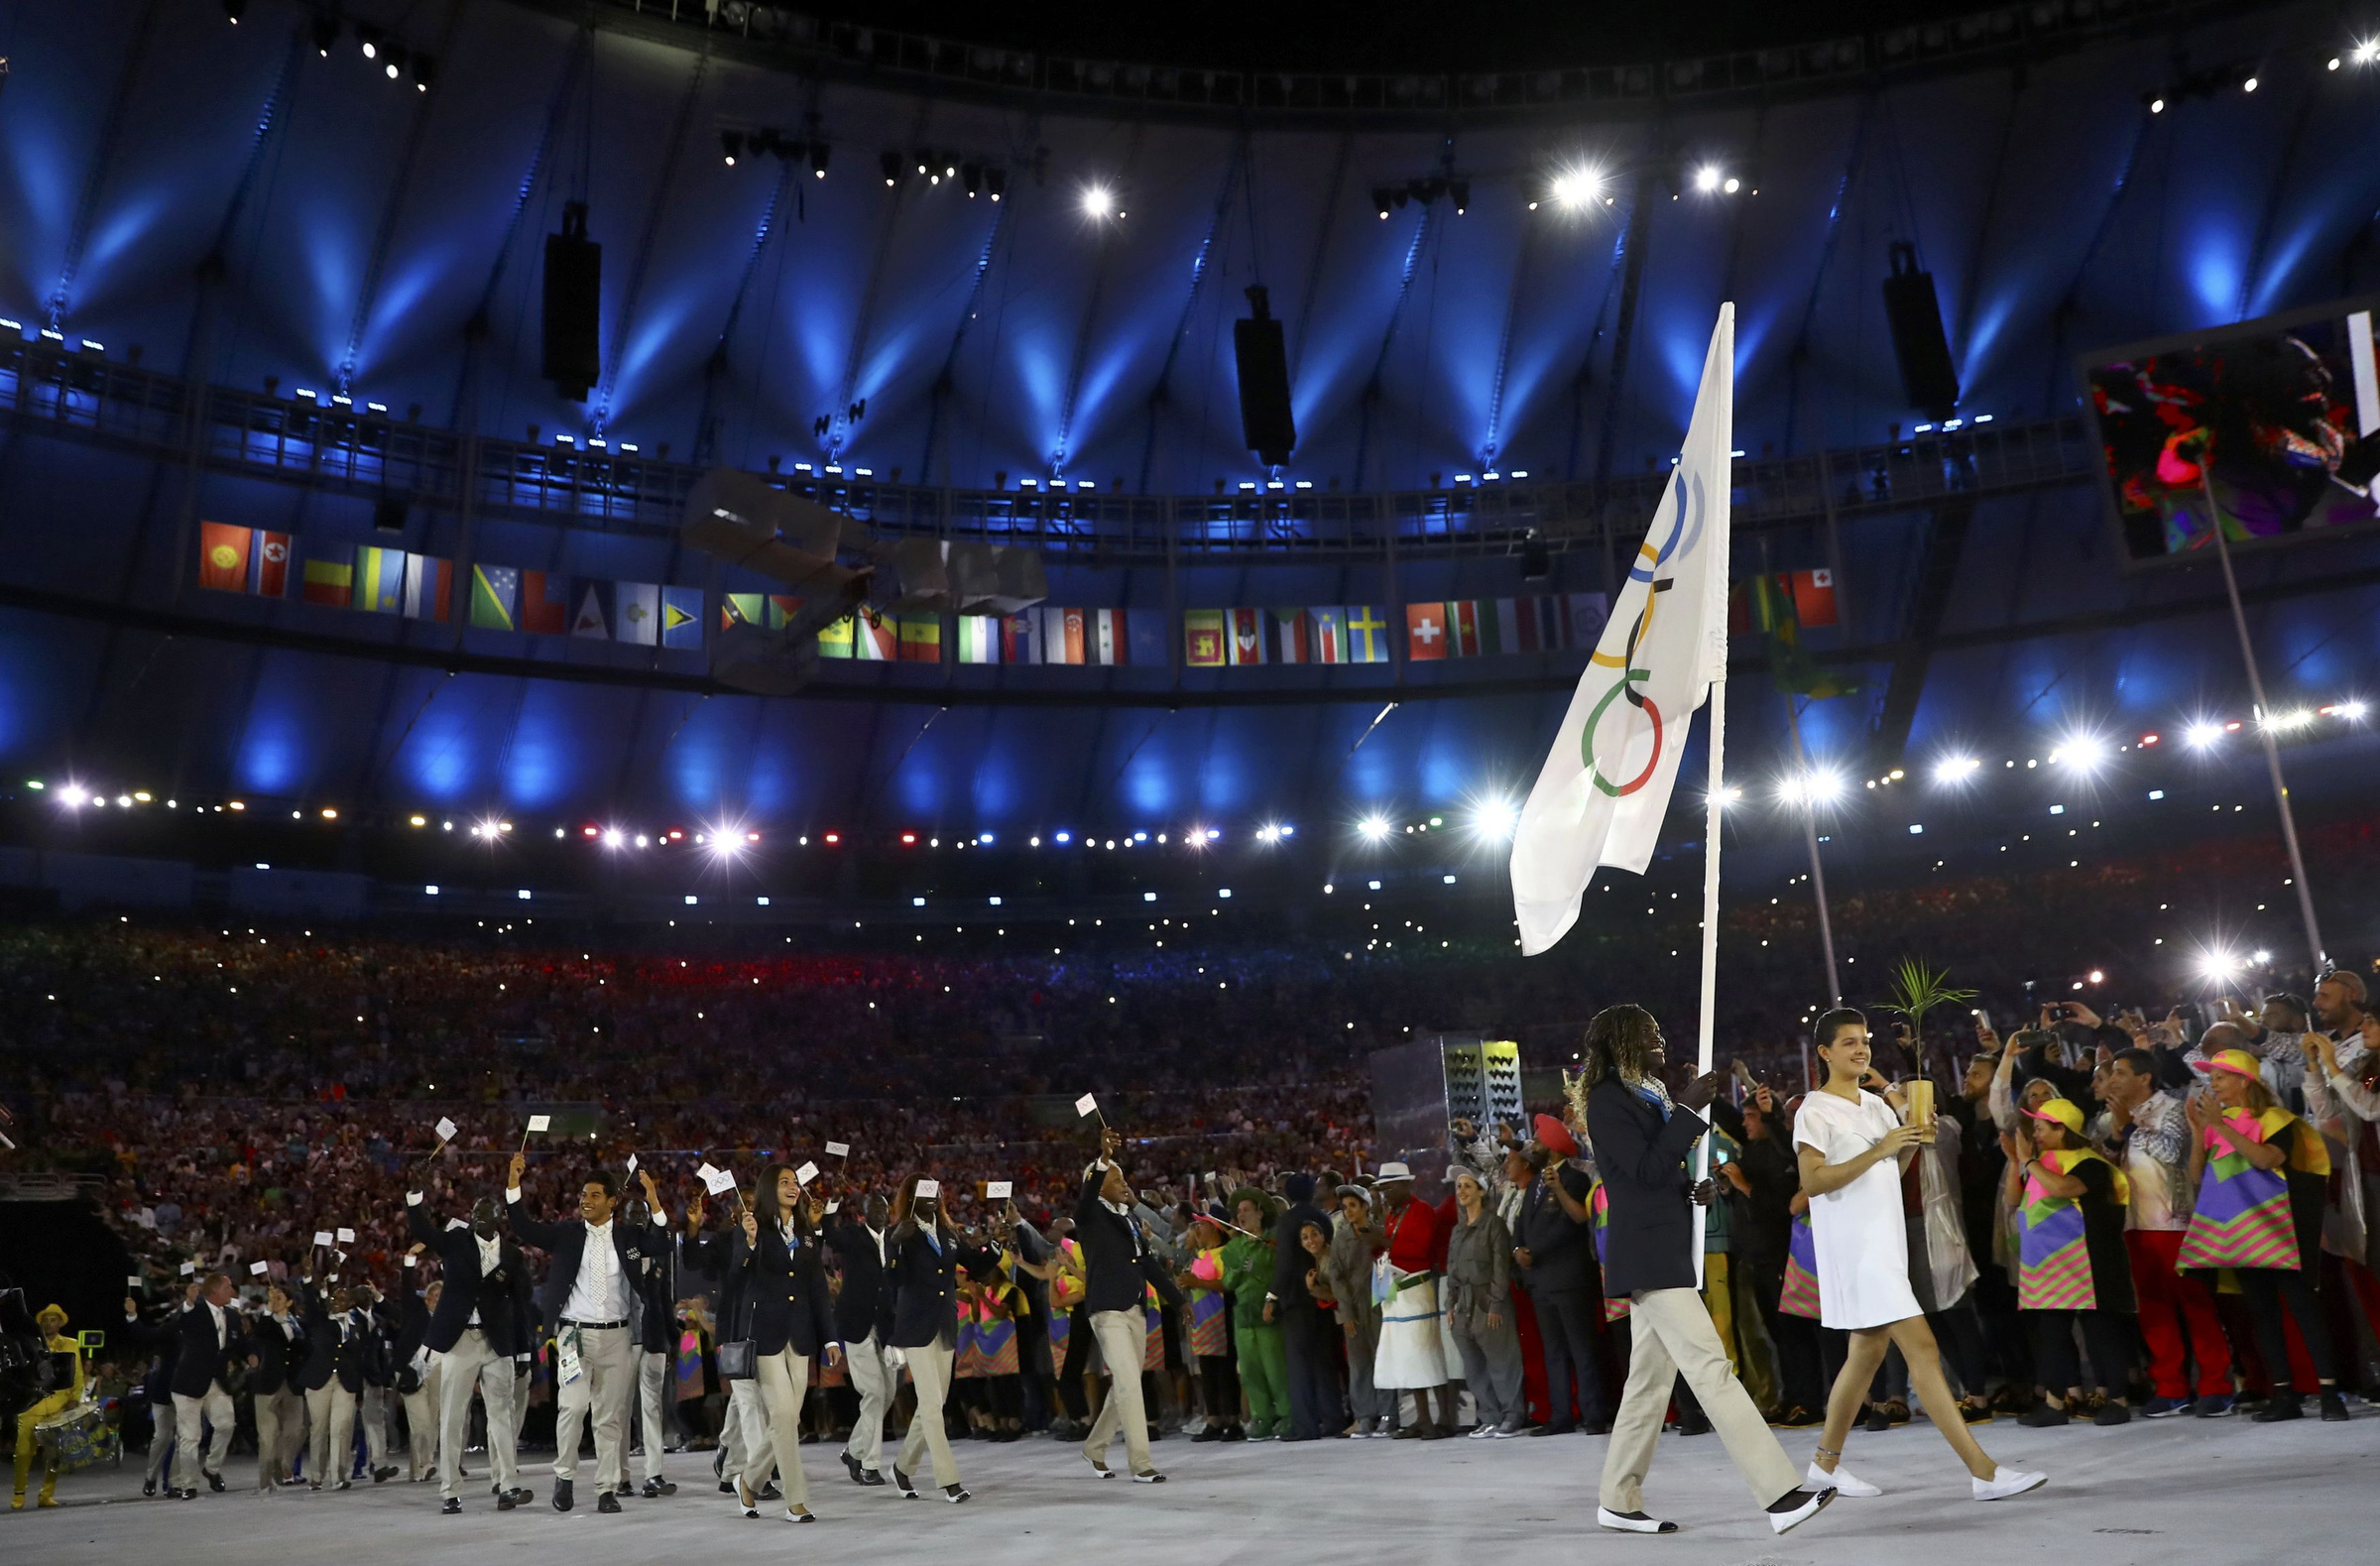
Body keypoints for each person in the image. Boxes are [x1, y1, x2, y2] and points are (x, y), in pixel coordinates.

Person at [1580, 1004, 1833, 1537]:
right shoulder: (1606, 1100)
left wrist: (1690, 1189)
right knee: (1711, 1368)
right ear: (1623, 1040)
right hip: (1648, 1256)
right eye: (1649, 1033)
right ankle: (1780, 1494)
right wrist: (1690, 1115)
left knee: (1648, 1384)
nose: (1661, 1039)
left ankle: (1617, 1499)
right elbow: (1642, 1169)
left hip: (1666, 1247)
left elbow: (1656, 1174)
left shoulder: (1646, 1096)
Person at [1795, 1008, 2044, 1505]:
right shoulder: (1814, 1109)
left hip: (1885, 1244)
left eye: (1863, 1040)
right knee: (1923, 1350)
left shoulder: (1875, 1105)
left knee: (1864, 1357)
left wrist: (1910, 1139)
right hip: (1856, 1248)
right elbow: (1814, 1182)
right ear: (1824, 1053)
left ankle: (1824, 1465)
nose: (1860, 1049)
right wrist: (1882, 1147)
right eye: (1847, 1042)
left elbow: (1891, 1165)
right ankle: (1983, 1470)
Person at [2180, 1047, 2349, 1421]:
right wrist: (2198, 1132)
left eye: (2221, 1076)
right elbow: (2196, 1177)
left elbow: (2268, 1159)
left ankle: (2329, 1393)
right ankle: (2283, 1395)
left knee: (2304, 1309)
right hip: (2238, 1236)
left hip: (2277, 1229)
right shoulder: (2218, 1122)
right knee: (2263, 1315)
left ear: (2245, 1080)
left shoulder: (2274, 1118)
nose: (2214, 1083)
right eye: (2213, 1077)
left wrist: (2220, 1127)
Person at [505, 1152, 669, 1513]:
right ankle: (564, 1475)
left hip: (618, 1339)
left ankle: (606, 1489)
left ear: (612, 1201)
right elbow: (526, 1229)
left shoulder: (629, 1235)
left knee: (610, 1417)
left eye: (595, 1194)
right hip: (572, 1338)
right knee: (573, 1406)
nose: (585, 1199)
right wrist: (514, 1183)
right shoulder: (566, 1234)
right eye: (583, 1194)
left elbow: (662, 1243)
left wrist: (654, 1199)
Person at [2100, 1046, 2233, 1416]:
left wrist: (2128, 1126)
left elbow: (2173, 1152)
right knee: (2154, 1309)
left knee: (2196, 1305)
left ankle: (2216, 1386)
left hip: (2175, 1221)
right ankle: (2171, 1387)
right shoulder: (2113, 1115)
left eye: (2121, 1072)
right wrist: (2115, 1135)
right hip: (2134, 1223)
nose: (2113, 1080)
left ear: (2145, 1078)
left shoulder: (2173, 1108)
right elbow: (2108, 1163)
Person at [2002, 1098, 2137, 1425]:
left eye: (2040, 1128)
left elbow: (2064, 1188)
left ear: (2062, 1129)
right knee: (2052, 1333)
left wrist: (2028, 1162)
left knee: (2101, 1331)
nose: (2034, 1134)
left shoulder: (2090, 1162)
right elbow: (2012, 1198)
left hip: (2089, 1263)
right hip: (2046, 1265)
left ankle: (2117, 1398)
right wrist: (2014, 1162)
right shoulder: (2040, 1162)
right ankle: (2055, 1402)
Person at [407, 1185, 535, 1513]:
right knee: (451, 1417)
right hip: (459, 1339)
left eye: (485, 1212)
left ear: (499, 1218)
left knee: (502, 1416)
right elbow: (421, 1228)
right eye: (474, 1211)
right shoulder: (455, 1243)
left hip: (497, 1343)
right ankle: (450, 1491)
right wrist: (414, 1194)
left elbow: (521, 1305)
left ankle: (508, 1485)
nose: (477, 1216)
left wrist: (523, 1351)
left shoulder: (512, 1255)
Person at [1078, 1126, 1186, 1481]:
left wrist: (1177, 1298)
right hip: (1107, 1310)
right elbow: (1089, 1190)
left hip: (1136, 1308)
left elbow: (1147, 1262)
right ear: (1099, 1185)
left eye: (1124, 1178)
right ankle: (1141, 1463)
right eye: (1117, 1179)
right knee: (1127, 1381)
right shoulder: (1090, 1215)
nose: (1125, 1184)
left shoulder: (1129, 1219)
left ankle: (1094, 1447)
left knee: (1126, 1384)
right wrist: (1104, 1157)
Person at [734, 1163, 841, 1521]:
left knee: (788, 1419)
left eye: (795, 1182)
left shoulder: (808, 1234)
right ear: (769, 1188)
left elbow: (817, 1290)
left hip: (801, 1336)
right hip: (765, 1335)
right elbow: (736, 1277)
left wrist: (829, 1339)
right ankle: (796, 1500)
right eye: (784, 1182)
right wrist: (748, 1244)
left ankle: (748, 1481)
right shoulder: (753, 1227)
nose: (793, 1187)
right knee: (782, 1414)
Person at [886, 1171, 982, 1502]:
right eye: (923, 1190)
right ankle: (949, 1480)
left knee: (934, 1404)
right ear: (910, 1196)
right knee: (930, 1405)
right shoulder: (897, 1233)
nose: (932, 1195)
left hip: (944, 1324)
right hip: (914, 1327)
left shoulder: (949, 1231)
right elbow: (893, 1280)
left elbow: (977, 1264)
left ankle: (901, 1468)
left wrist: (996, 1242)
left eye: (935, 1190)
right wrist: (896, 1244)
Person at [1513, 1114, 1607, 1435]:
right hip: (1540, 1281)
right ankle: (1561, 1416)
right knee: (1553, 1351)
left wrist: (1534, 1252)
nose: (1533, 1145)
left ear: (1552, 1145)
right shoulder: (1536, 1183)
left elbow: (1573, 1225)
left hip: (1569, 1280)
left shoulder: (1575, 1180)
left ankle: (1593, 1414)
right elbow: (1522, 1223)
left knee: (1581, 1349)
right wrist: (1518, 1250)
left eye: (1538, 1140)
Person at [1368, 1161, 1455, 1438]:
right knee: (1408, 1359)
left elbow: (1421, 1248)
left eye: (1389, 1187)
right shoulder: (1393, 1214)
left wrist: (1383, 1240)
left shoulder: (1421, 1211)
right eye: (1382, 1189)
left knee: (1426, 1356)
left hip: (1417, 1290)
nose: (1385, 1194)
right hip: (1396, 1293)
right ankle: (1422, 1418)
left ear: (1407, 1185)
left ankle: (1444, 1420)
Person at [823, 1191, 896, 1486]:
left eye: (883, 1207)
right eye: (873, 1207)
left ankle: (854, 1451)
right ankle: (869, 1465)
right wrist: (832, 1203)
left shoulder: (894, 1240)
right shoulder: (852, 1236)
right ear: (863, 1213)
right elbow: (828, 1232)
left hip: (888, 1327)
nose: (879, 1211)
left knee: (888, 1394)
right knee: (873, 1393)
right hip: (856, 1324)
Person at [1445, 1165, 1524, 1436]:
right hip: (1463, 1305)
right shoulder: (1457, 1230)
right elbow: (1452, 1269)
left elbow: (1501, 1268)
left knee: (1503, 1361)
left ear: (1480, 1191)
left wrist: (1497, 1304)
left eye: (1468, 1186)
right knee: (1474, 1366)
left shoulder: (1494, 1224)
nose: (1462, 1192)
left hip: (1488, 1301)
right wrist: (1450, 1305)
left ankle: (1512, 1415)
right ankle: (1488, 1415)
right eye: (1458, 1187)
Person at [1264, 1171, 1340, 1440]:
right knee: (1323, 1362)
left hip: (1296, 1300)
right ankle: (1333, 1418)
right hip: (1323, 1295)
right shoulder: (1323, 1217)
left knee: (1299, 1365)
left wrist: (1272, 1297)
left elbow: (1285, 1266)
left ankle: (1305, 1425)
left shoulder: (1287, 1221)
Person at [1320, 1183, 1389, 1436]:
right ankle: (1364, 1416)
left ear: (1365, 1207)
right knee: (1359, 1365)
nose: (1348, 1211)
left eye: (1353, 1205)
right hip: (1353, 1307)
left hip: (1378, 1304)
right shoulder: (1341, 1238)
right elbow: (1336, 1277)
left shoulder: (1378, 1232)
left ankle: (1387, 1414)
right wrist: (1346, 1312)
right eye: (1345, 1206)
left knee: (1383, 1360)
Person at [169, 1271, 244, 1500]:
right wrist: (189, 1303)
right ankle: (187, 1484)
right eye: (227, 1287)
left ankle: (211, 1469)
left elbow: (238, 1343)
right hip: (189, 1383)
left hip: (216, 1381)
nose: (231, 1291)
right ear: (215, 1291)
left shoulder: (232, 1316)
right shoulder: (196, 1312)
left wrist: (250, 1354)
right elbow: (182, 1323)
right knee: (191, 1436)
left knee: (226, 1424)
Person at [1221, 1188, 1286, 1440]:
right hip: (1244, 1316)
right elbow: (1228, 1283)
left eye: (1247, 1210)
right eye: (1238, 1212)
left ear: (1260, 1213)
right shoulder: (1233, 1248)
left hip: (1269, 1313)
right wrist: (1239, 1270)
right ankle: (1261, 1417)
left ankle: (1286, 1414)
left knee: (1276, 1368)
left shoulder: (1273, 1243)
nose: (1241, 1215)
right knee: (1250, 1371)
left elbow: (1278, 1273)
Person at [11, 1303, 82, 1509]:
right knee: (23, 1451)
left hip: (58, 1405)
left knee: (54, 1454)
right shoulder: (29, 1344)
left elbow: (76, 1373)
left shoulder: (70, 1344)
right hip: (31, 1405)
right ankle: (19, 1493)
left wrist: (75, 1398)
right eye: (46, 1320)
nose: (50, 1323)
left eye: (54, 1320)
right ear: (40, 1324)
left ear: (60, 1323)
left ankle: (46, 1494)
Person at [1177, 1214, 1242, 1441]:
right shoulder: (1201, 1254)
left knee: (1225, 1371)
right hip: (1201, 1320)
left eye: (1201, 1224)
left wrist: (1197, 1283)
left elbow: (1227, 1284)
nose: (1196, 1229)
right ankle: (1214, 1419)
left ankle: (1233, 1420)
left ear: (1215, 1228)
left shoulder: (1225, 1253)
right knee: (1208, 1371)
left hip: (1220, 1316)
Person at [245, 1280, 307, 1490]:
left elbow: (306, 1348)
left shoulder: (299, 1325)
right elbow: (260, 1332)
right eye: (274, 1297)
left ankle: (284, 1464)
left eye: (280, 1298)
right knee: (267, 1437)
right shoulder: (267, 1323)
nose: (276, 1300)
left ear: (289, 1302)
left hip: (293, 1383)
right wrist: (268, 1308)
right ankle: (264, 1483)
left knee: (295, 1430)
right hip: (268, 1383)